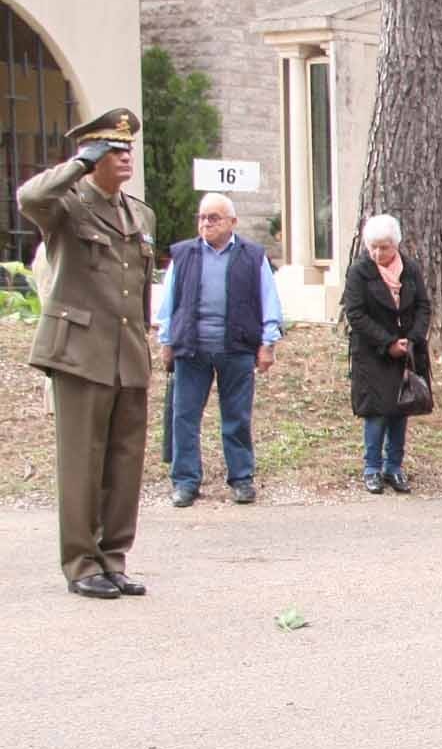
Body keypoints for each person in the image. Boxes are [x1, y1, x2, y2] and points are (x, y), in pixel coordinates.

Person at [16, 108, 158, 598]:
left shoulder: (140, 213)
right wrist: (78, 165)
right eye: (114, 150)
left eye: (128, 149)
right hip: (80, 351)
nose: (125, 157)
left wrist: (146, 342)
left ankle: (113, 557)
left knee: (124, 462)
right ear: (92, 155)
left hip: (127, 352)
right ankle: (81, 564)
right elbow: (29, 196)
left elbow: (138, 290)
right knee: (82, 461)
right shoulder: (67, 205)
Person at [158, 192, 281, 507]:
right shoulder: (183, 254)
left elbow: (269, 301)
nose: (206, 223)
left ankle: (241, 478)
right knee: (184, 417)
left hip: (237, 348)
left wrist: (267, 343)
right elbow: (168, 303)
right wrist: (166, 342)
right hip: (191, 349)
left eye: (214, 218)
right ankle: (185, 481)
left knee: (237, 417)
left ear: (233, 222)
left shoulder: (253, 256)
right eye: (202, 217)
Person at [343, 212, 431, 497]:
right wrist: (388, 342)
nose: (378, 253)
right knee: (376, 413)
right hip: (373, 353)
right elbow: (355, 313)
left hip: (407, 351)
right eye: (373, 247)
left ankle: (394, 466)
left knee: (400, 410)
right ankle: (372, 468)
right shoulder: (359, 272)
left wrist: (412, 339)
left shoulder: (411, 270)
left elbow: (423, 307)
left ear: (396, 245)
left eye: (385, 247)